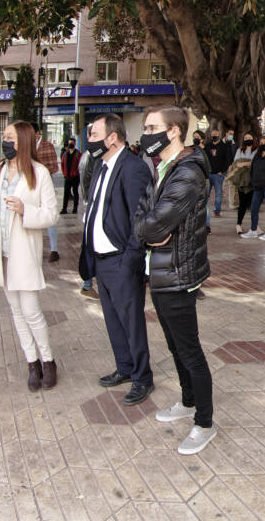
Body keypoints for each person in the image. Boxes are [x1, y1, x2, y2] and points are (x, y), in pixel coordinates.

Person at [133, 106, 217, 454]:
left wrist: (150, 229)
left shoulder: (189, 170)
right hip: (159, 269)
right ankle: (187, 402)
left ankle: (205, 422)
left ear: (173, 132)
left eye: (152, 127)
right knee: (174, 345)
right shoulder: (161, 167)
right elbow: (143, 218)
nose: (145, 134)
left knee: (190, 350)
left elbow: (152, 223)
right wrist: (150, 230)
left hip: (179, 273)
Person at [0, 121, 60, 391]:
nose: (5, 140)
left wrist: (25, 210)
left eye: (10, 136)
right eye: (4, 136)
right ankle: (31, 362)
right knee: (16, 312)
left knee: (31, 311)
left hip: (24, 254)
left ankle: (48, 361)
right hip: (2, 254)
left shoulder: (39, 173)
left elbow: (51, 214)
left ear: (22, 140)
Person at [79, 114, 155, 406]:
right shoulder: (101, 165)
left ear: (112, 137)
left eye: (95, 133)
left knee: (132, 322)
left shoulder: (133, 168)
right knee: (112, 320)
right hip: (101, 261)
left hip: (122, 262)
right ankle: (124, 368)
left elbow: (141, 220)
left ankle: (142, 377)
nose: (90, 138)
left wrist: (130, 260)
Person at [32, 124, 60, 262]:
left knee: (49, 216)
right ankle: (36, 250)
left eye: (33, 133)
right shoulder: (27, 147)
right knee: (33, 216)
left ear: (38, 133)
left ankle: (54, 249)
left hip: (46, 184)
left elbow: (54, 167)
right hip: (31, 186)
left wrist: (40, 170)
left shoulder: (47, 145)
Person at [77, 137, 99, 299]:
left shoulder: (90, 155)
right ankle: (87, 285)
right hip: (93, 210)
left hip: (93, 210)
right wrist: (89, 202)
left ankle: (87, 284)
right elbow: (86, 183)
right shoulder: (91, 156)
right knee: (90, 250)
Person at [228, 133, 257, 234]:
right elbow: (236, 163)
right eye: (246, 138)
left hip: (254, 181)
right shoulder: (240, 150)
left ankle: (255, 226)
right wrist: (247, 163)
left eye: (250, 138)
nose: (248, 139)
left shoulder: (257, 151)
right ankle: (238, 225)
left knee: (254, 205)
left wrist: (244, 163)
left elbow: (256, 163)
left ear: (253, 139)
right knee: (242, 205)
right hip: (242, 181)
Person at [204, 129, 232, 220]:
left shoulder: (224, 147)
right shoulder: (208, 145)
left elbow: (227, 160)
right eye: (212, 135)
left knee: (218, 193)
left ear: (219, 135)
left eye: (215, 135)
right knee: (205, 194)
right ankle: (204, 210)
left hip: (218, 175)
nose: (214, 136)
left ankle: (217, 211)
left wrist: (222, 171)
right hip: (208, 174)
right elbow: (204, 158)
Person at [60, 138, 81, 214]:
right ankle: (64, 209)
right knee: (66, 193)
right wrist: (64, 173)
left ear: (74, 144)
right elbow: (62, 164)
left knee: (75, 192)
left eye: (72, 143)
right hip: (67, 177)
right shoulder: (65, 154)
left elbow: (80, 165)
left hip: (75, 177)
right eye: (69, 143)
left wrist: (75, 173)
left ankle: (75, 209)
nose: (70, 145)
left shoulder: (78, 154)